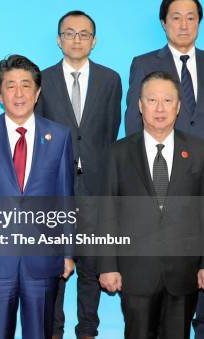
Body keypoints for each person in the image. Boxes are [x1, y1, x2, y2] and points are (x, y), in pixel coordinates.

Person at [0, 55, 75, 339]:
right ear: (0, 94)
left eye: (26, 85)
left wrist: (67, 252)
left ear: (37, 93)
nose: (19, 93)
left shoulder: (59, 136)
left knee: (39, 331)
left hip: (43, 258)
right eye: (10, 86)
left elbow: (65, 198)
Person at [34, 10, 122, 339]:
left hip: (96, 188)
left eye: (84, 34)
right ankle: (53, 331)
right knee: (55, 268)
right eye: (69, 33)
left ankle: (88, 330)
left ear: (94, 41)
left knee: (90, 267)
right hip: (56, 190)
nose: (76, 39)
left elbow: (110, 131)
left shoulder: (110, 79)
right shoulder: (42, 80)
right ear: (59, 40)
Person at [98, 71, 204, 339]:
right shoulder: (118, 153)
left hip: (184, 272)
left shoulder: (198, 151)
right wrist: (107, 265)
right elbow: (107, 211)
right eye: (152, 100)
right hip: (135, 273)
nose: (160, 108)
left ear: (178, 107)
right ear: (140, 105)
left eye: (168, 101)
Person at [125, 0, 204, 137]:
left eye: (190, 18)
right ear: (164, 23)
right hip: (164, 155)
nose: (184, 26)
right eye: (176, 18)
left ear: (198, 22)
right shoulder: (144, 65)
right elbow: (134, 119)